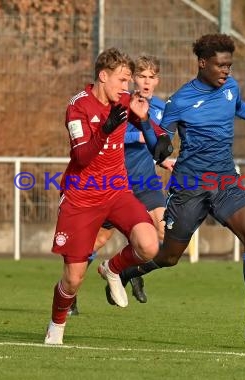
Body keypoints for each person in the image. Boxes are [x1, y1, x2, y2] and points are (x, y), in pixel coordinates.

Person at [111, 34, 245, 342]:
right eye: (220, 65)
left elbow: (240, 106)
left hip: (225, 181)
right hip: (189, 187)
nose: (226, 71)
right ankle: (130, 271)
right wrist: (145, 125)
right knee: (170, 256)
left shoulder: (230, 88)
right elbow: (161, 151)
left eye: (230, 65)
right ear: (202, 63)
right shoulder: (180, 101)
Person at [44, 48, 172, 345]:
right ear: (103, 76)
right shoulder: (78, 106)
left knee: (150, 245)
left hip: (117, 190)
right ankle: (56, 325)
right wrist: (107, 128)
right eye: (123, 80)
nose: (128, 88)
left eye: (129, 81)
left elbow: (147, 123)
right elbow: (81, 155)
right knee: (73, 279)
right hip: (82, 197)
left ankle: (112, 269)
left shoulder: (125, 101)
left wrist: (158, 138)